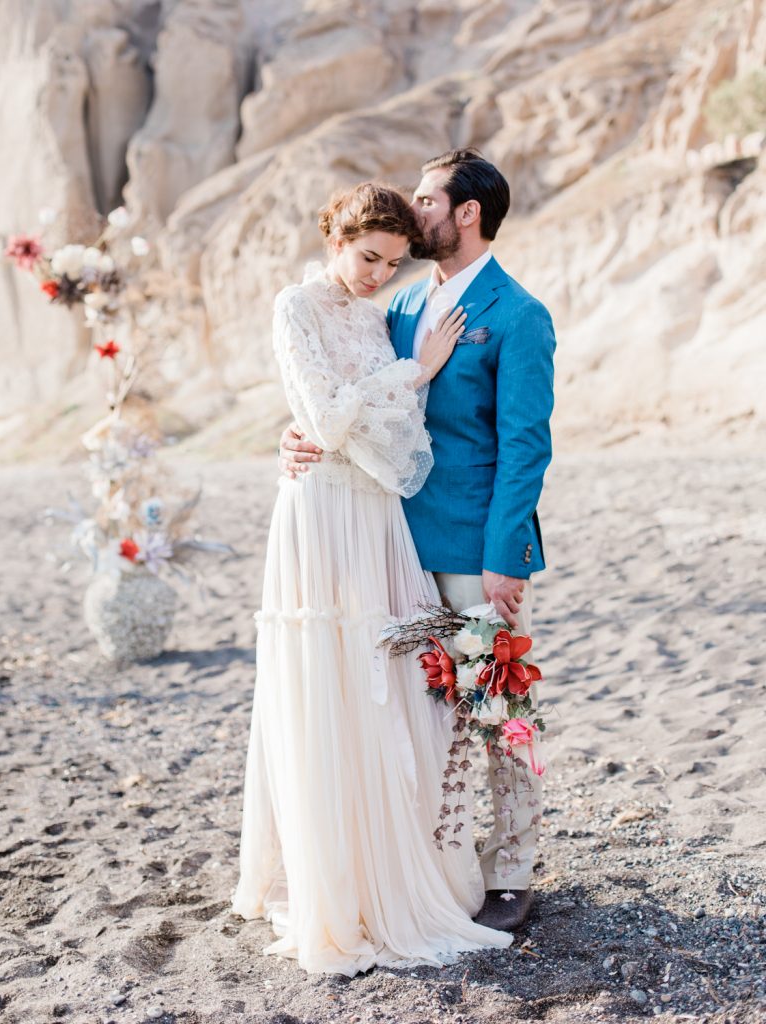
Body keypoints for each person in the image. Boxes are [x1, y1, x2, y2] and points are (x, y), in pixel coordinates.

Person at [232, 182, 513, 975]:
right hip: (320, 513)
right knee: (325, 678)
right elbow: (323, 420)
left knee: (385, 681)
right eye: (366, 258)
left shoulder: (377, 316)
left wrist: (385, 396)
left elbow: (390, 433)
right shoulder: (298, 304)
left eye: (392, 264)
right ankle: (333, 877)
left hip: (377, 513)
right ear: (335, 240)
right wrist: (414, 373)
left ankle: (394, 863)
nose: (376, 275)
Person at [280, 150, 556, 933]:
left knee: (499, 702)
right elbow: (344, 398)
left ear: (465, 214)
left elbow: (525, 444)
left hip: (475, 549)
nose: (417, 210)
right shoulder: (395, 310)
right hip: (390, 541)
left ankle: (513, 868)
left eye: (429, 201)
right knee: (418, 713)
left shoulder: (518, 314)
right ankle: (441, 863)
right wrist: (293, 437)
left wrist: (508, 556)